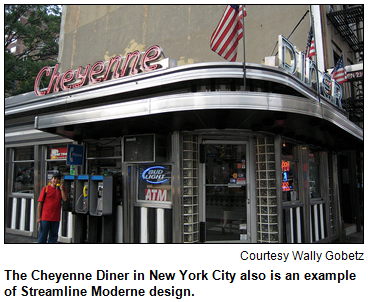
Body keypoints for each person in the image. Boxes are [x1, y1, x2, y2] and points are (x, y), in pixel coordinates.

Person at [37, 172, 67, 243]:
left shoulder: (61, 189)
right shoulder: (45, 189)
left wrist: (61, 189)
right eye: (54, 179)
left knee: (53, 236)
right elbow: (40, 203)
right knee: (43, 236)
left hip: (56, 217)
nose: (56, 181)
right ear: (51, 180)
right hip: (45, 217)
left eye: (57, 179)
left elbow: (65, 199)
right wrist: (38, 217)